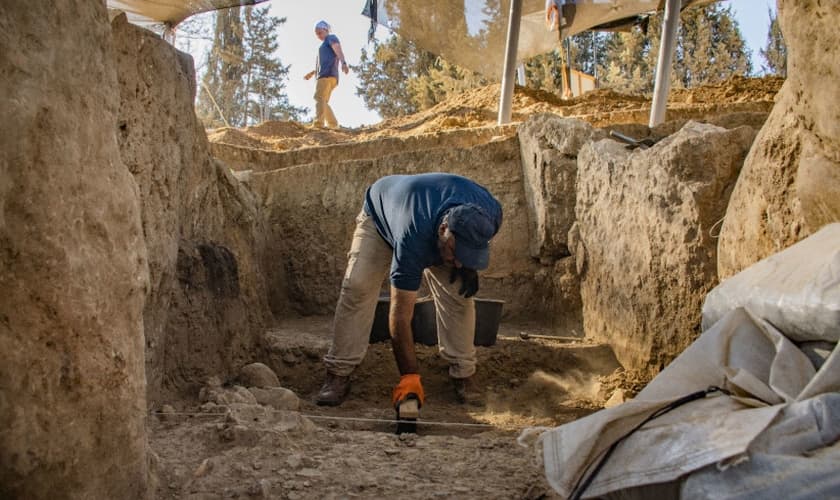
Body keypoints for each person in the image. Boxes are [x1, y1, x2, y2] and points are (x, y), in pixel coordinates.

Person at [316, 173, 503, 411]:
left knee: (459, 296)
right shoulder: (412, 236)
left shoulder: (491, 214)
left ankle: (464, 373)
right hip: (380, 217)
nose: (457, 263)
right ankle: (338, 372)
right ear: (444, 229)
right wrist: (410, 377)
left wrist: (468, 264)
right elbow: (400, 316)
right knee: (358, 288)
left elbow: (467, 247)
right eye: (456, 253)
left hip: (426, 213)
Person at [303, 20, 349, 129]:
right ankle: (333, 125)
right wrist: (312, 72)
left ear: (326, 30)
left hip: (326, 75)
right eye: (316, 34)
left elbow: (338, 49)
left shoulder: (330, 38)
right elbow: (324, 62)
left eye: (320, 32)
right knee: (323, 101)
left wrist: (343, 62)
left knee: (318, 97)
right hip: (330, 75)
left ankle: (318, 124)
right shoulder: (324, 45)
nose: (318, 36)